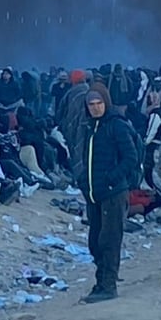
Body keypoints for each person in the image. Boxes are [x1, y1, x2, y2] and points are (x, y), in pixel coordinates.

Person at [77, 83, 137, 304]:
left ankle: (108, 285)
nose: (95, 108)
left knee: (109, 241)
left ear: (106, 102)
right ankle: (101, 281)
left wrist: (112, 178)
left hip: (113, 193)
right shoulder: (90, 128)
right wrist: (84, 181)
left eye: (99, 103)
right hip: (94, 194)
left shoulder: (116, 126)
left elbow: (131, 157)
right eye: (91, 104)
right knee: (95, 242)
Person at [58, 69, 90, 181]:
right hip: (87, 127)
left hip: (74, 127)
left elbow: (64, 112)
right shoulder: (89, 91)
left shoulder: (71, 93)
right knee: (84, 152)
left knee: (76, 152)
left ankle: (78, 177)